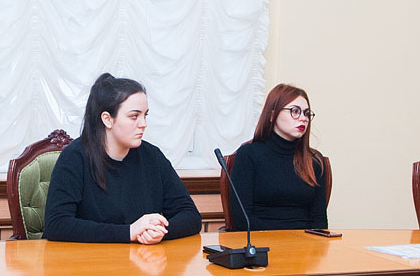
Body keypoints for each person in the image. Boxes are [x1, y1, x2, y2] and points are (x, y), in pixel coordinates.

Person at [44, 73, 201, 243]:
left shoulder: (152, 156)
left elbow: (190, 215)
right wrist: (129, 232)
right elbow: (57, 225)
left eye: (145, 115)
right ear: (107, 119)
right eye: (134, 116)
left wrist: (157, 231)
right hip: (87, 258)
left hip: (141, 257)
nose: (143, 124)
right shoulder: (74, 157)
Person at [228, 83, 328, 230]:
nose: (303, 118)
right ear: (272, 115)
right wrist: (283, 238)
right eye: (295, 111)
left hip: (305, 241)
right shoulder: (249, 155)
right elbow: (242, 219)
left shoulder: (314, 161)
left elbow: (319, 220)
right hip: (261, 239)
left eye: (306, 113)